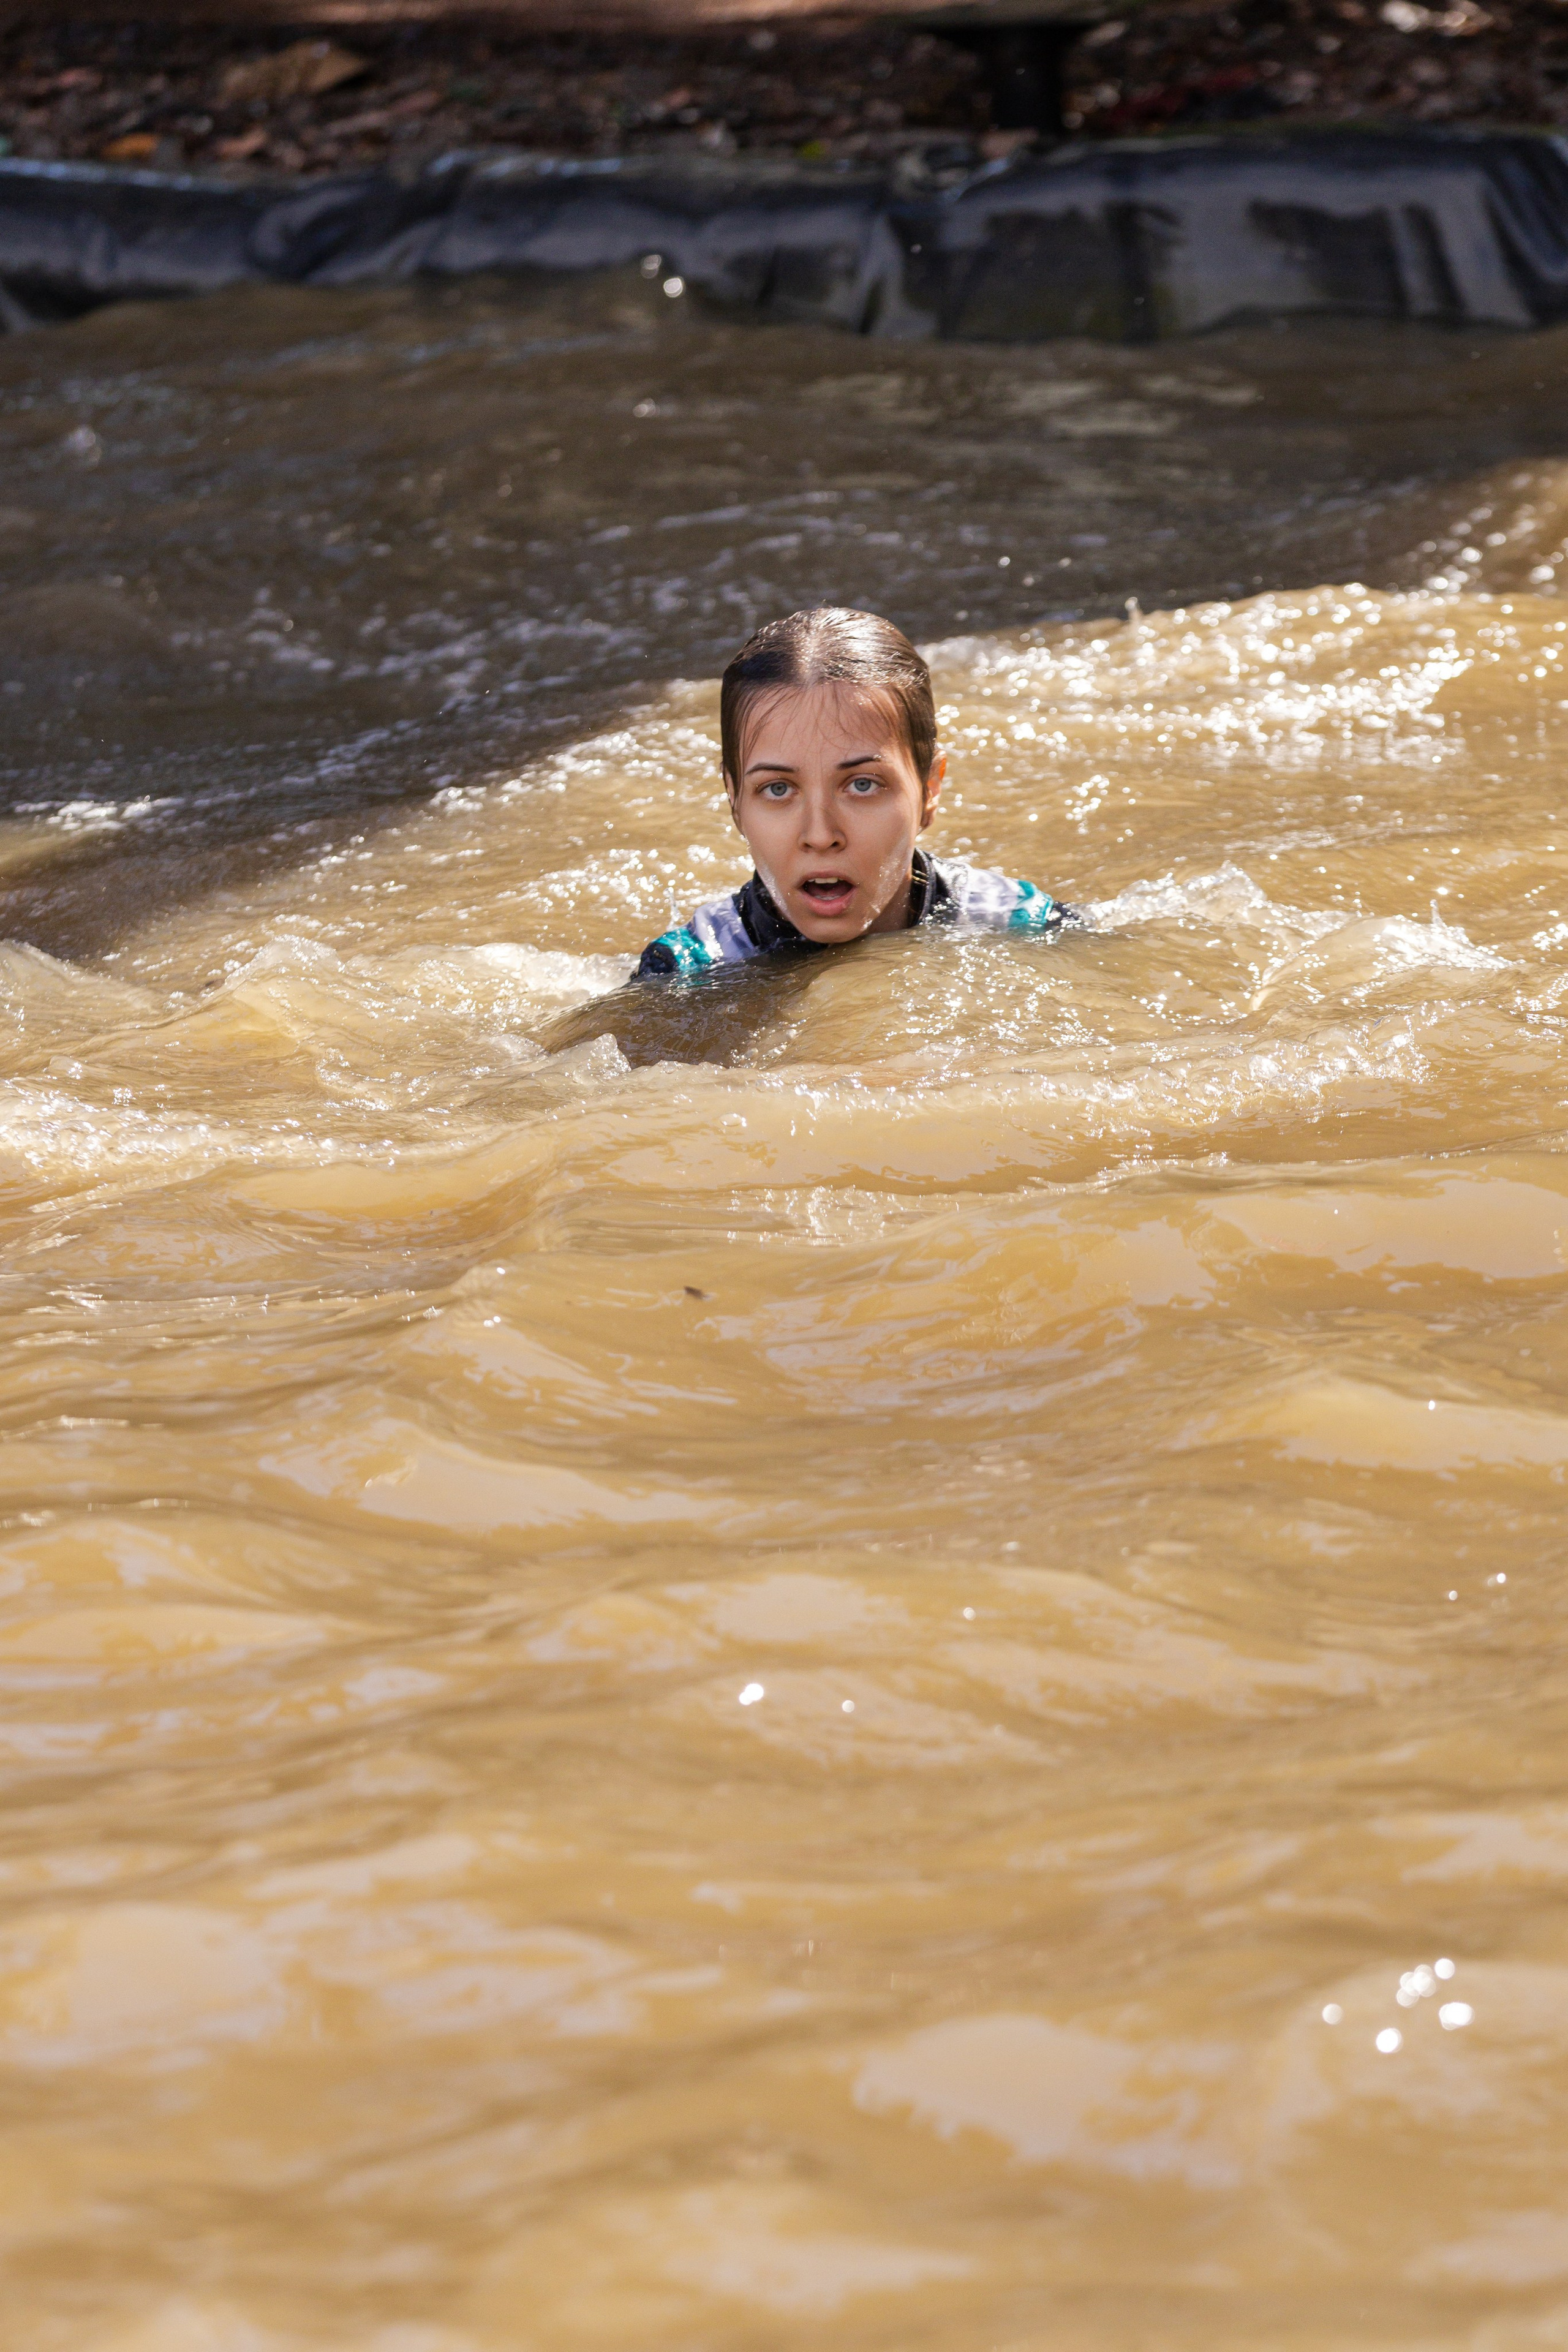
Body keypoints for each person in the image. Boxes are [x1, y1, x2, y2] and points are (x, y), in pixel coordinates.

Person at [636, 606, 1076, 978]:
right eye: (777, 789)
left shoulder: (1022, 926)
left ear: (930, 788)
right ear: (734, 800)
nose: (821, 834)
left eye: (862, 785)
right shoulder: (689, 968)